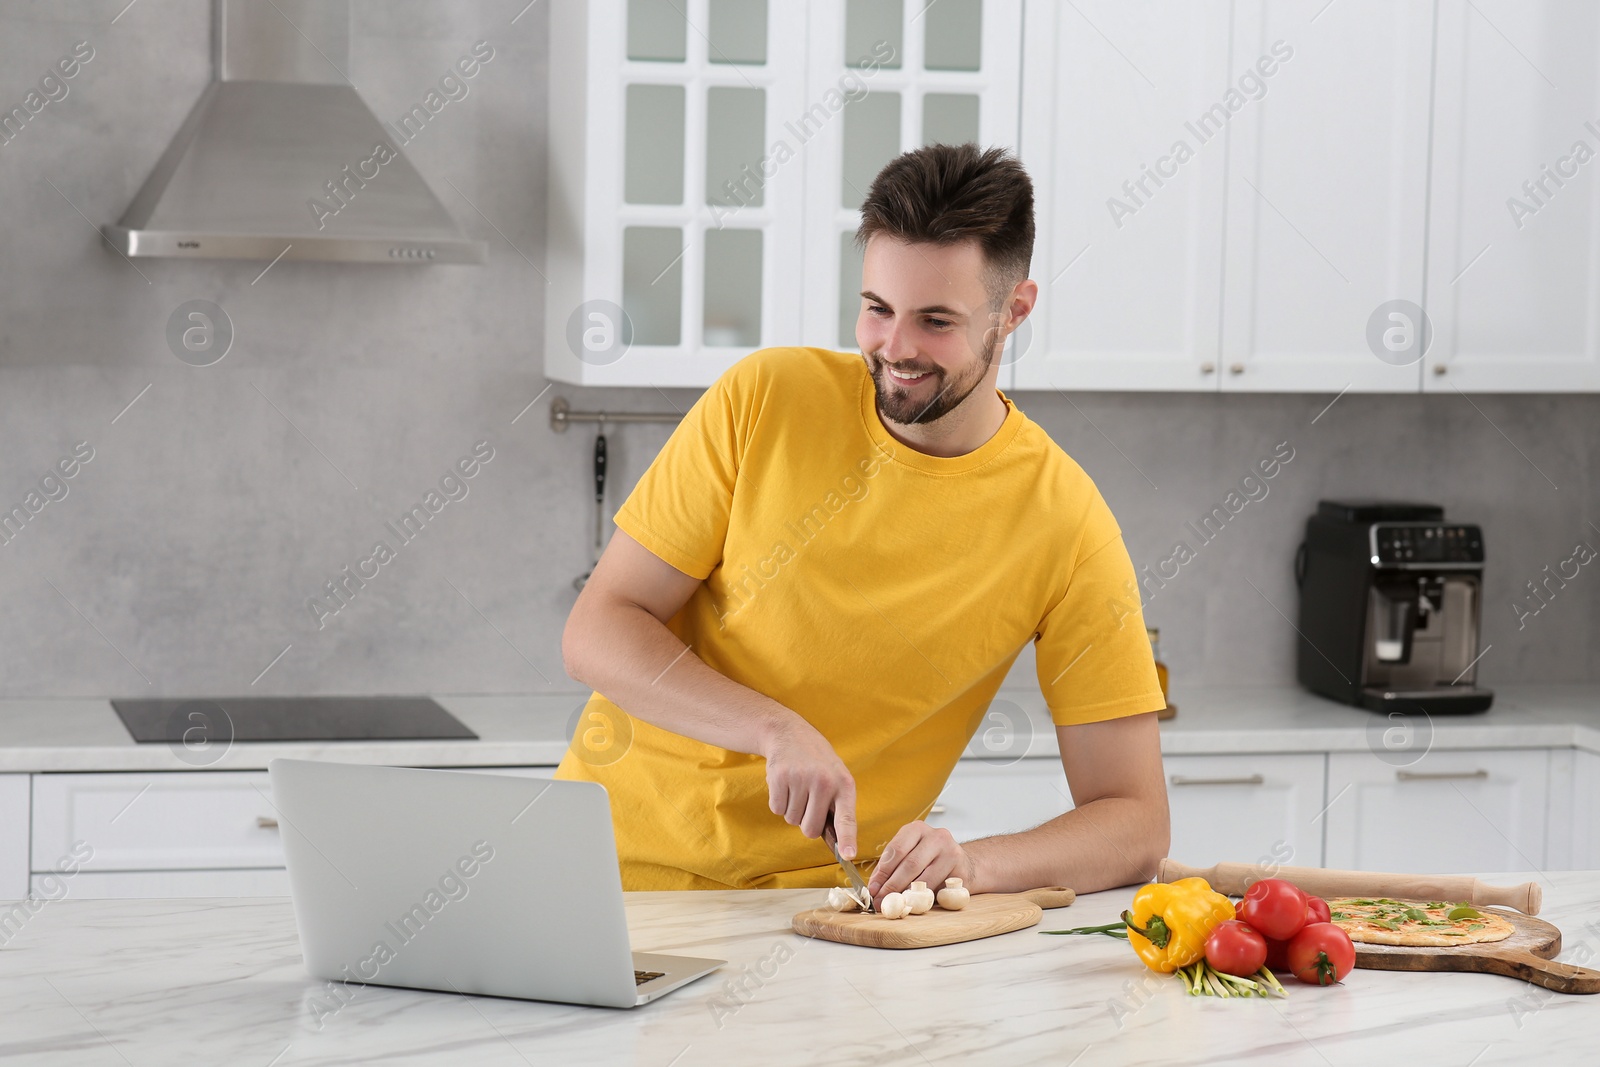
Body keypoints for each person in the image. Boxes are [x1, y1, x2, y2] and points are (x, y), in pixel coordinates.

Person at [558, 142, 1170, 904]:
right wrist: (774, 727)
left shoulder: (1067, 523)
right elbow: (597, 626)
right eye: (876, 309)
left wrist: (975, 863)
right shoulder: (765, 398)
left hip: (815, 913)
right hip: (597, 875)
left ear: (1013, 312)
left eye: (936, 321)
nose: (896, 348)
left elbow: (1135, 821)